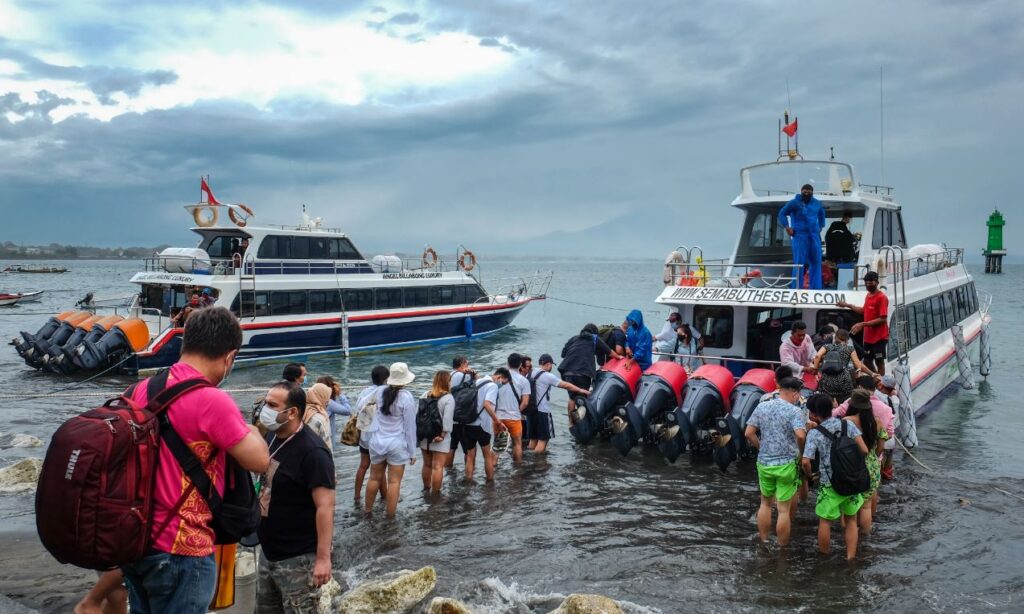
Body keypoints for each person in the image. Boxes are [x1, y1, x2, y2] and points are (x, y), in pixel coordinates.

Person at [122, 307, 270, 614]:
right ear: (230, 357)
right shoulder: (211, 399)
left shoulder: (137, 390)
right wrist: (251, 429)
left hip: (134, 541)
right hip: (182, 546)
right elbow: (259, 461)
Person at [255, 381, 336, 613]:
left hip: (298, 558)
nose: (264, 409)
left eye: (271, 404)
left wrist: (323, 558)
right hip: (269, 550)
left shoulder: (313, 452)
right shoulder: (272, 436)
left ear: (292, 412)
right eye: (265, 402)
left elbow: (326, 506)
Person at [802, 393, 869, 560]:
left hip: (829, 483)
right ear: (832, 407)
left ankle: (824, 558)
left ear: (814, 414)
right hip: (851, 481)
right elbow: (865, 450)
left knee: (825, 521)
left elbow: (805, 462)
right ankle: (850, 557)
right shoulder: (847, 425)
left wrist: (810, 477)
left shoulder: (815, 433)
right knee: (851, 520)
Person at [744, 377, 807, 546]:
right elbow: (801, 435)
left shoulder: (762, 406)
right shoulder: (795, 411)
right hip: (786, 463)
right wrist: (801, 453)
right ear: (794, 394)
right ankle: (782, 547)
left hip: (764, 462)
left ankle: (763, 541)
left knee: (765, 503)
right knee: (783, 510)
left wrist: (761, 447)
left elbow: (748, 433)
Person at [364, 362, 418, 516]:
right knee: (394, 482)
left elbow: (362, 406)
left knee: (374, 478)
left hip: (376, 441)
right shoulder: (406, 398)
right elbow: (410, 428)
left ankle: (367, 511)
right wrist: (412, 453)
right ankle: (390, 517)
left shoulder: (379, 391)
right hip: (396, 444)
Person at [837, 389, 884, 534]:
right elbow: (881, 446)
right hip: (872, 466)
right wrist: (873, 458)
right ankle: (865, 536)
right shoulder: (876, 422)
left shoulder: (846, 422)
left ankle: (848, 534)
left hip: (850, 467)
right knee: (866, 506)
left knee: (847, 504)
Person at [527, 354, 591, 453]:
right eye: (551, 365)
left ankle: (528, 460)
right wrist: (581, 390)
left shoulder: (530, 373)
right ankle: (538, 464)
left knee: (533, 438)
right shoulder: (548, 376)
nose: (551, 367)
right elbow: (566, 385)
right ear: (548, 364)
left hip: (530, 411)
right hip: (542, 412)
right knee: (543, 440)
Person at [459, 368, 507, 482]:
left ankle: (469, 481)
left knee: (470, 455)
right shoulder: (492, 386)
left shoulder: (477, 382)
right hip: (481, 425)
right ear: (499, 377)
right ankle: (490, 482)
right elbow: (486, 404)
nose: (502, 385)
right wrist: (497, 421)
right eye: (503, 382)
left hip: (467, 422)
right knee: (487, 455)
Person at [838, 270, 889, 375]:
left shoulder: (882, 298)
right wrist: (847, 305)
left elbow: (883, 318)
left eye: (870, 283)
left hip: (879, 337)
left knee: (879, 362)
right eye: (866, 283)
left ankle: (880, 382)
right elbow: (863, 310)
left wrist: (863, 324)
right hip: (868, 337)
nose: (868, 285)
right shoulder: (868, 295)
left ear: (877, 283)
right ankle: (876, 378)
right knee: (867, 361)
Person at [559, 324, 619, 414]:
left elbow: (563, 354)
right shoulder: (594, 338)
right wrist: (619, 357)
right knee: (583, 398)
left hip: (567, 372)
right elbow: (609, 352)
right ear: (594, 332)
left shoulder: (574, 338)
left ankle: (571, 422)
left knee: (572, 398)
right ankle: (584, 421)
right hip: (583, 373)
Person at [778, 183, 826, 289]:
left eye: (809, 190)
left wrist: (821, 226)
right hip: (800, 235)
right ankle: (796, 288)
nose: (807, 192)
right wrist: (787, 227)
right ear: (801, 191)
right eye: (805, 190)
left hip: (814, 236)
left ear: (812, 192)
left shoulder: (817, 203)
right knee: (799, 263)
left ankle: (816, 289)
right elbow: (782, 213)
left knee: (816, 262)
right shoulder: (794, 203)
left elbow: (822, 214)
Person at [353, 365, 390, 501]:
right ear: (387, 379)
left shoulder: (365, 392)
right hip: (379, 436)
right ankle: (384, 496)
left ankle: (356, 496)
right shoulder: (386, 392)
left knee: (363, 465)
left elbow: (356, 409)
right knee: (380, 469)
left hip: (365, 435)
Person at [811, 328, 876, 403]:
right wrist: (859, 371)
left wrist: (815, 370)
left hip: (827, 380)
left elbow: (817, 357)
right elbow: (857, 362)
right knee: (846, 402)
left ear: (835, 337)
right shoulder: (850, 348)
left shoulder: (827, 347)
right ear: (847, 340)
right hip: (844, 380)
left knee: (827, 401)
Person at [419, 371, 455, 493]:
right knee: (438, 466)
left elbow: (418, 415)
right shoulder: (448, 398)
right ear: (447, 382)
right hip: (440, 437)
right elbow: (447, 419)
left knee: (427, 464)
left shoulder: (425, 394)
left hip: (425, 436)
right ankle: (435, 493)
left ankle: (426, 489)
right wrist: (442, 435)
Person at [495, 353, 531, 463]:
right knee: (517, 443)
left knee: (498, 445)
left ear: (507, 363)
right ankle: (518, 469)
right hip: (514, 418)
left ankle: (493, 468)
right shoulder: (523, 380)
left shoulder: (499, 377)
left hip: (499, 417)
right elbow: (525, 403)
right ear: (520, 365)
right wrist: (517, 411)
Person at [446, 356, 476, 469]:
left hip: (450, 416)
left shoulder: (449, 375)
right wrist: (473, 373)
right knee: (467, 449)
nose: (468, 367)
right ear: (462, 364)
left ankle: (449, 470)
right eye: (467, 365)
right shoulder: (464, 375)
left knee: (452, 446)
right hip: (462, 415)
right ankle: (469, 471)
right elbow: (476, 384)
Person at [875, 374, 899, 480]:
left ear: (881, 385)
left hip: (883, 439)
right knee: (888, 465)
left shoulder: (877, 397)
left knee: (878, 465)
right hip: (891, 439)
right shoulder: (894, 400)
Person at [316, 375, 351, 444]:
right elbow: (348, 411)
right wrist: (340, 394)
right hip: (326, 440)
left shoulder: (312, 398)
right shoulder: (328, 403)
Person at [303, 382, 335, 453]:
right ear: (322, 396)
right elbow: (326, 443)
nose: (328, 401)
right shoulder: (320, 418)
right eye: (327, 397)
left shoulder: (301, 411)